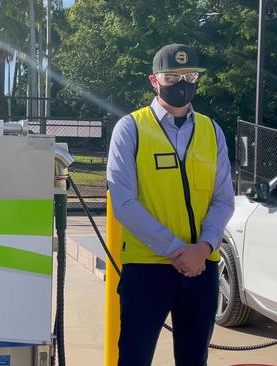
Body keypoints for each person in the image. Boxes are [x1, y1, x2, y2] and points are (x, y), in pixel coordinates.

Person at [106, 43, 235, 366]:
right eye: (172, 76)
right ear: (154, 81)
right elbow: (123, 202)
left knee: (194, 359)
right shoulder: (131, 128)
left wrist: (203, 247)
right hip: (148, 267)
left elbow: (223, 198)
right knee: (134, 357)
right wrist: (178, 250)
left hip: (202, 267)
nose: (182, 83)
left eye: (190, 75)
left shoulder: (211, 130)